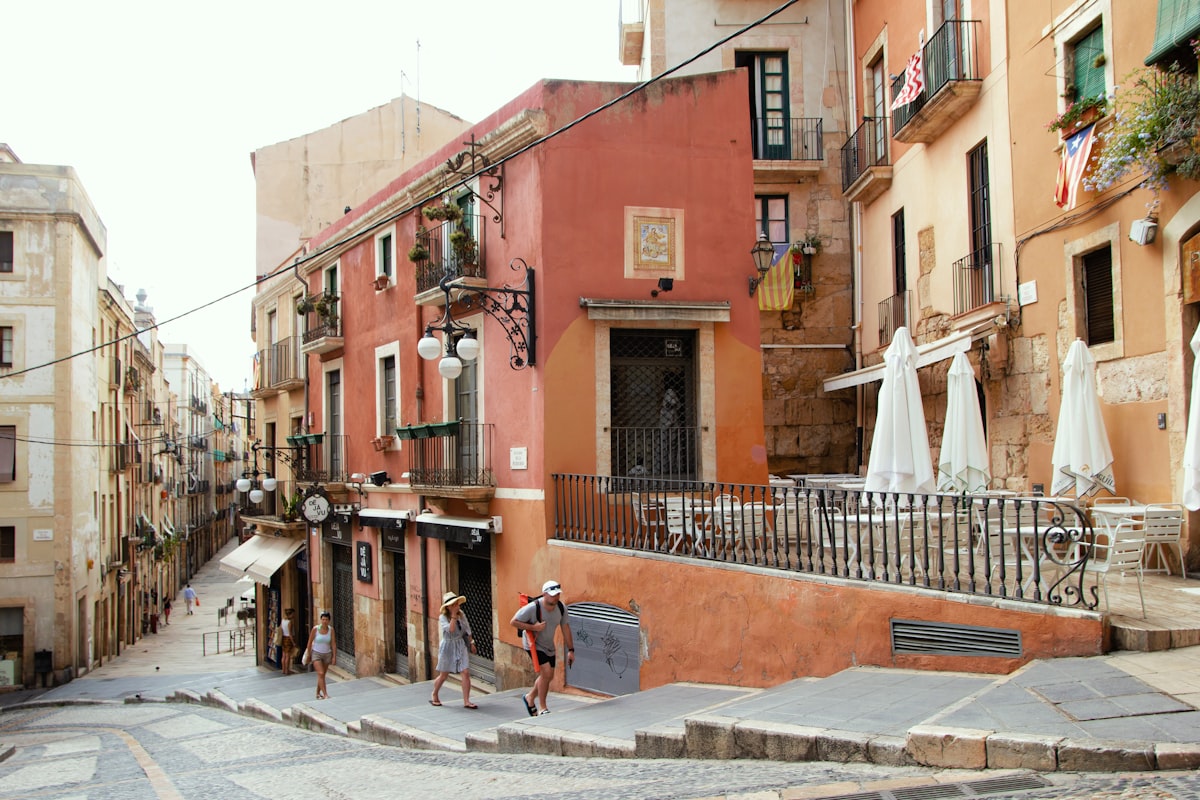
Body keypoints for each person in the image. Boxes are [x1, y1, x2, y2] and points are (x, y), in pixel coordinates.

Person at [511, 579, 574, 716]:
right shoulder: (533, 607)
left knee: (548, 676)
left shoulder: (561, 608)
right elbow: (514, 622)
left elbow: (566, 628)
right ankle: (543, 707)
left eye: (557, 594)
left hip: (548, 645)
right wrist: (533, 627)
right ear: (544, 594)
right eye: (553, 595)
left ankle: (530, 697)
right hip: (533, 643)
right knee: (546, 673)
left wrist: (571, 650)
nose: (556, 597)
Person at [430, 592, 477, 709]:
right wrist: (454, 616)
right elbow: (450, 629)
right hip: (448, 646)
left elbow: (467, 628)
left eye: (457, 603)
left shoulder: (462, 615)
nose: (457, 606)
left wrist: (472, 643)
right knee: (444, 675)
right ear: (449, 607)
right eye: (454, 604)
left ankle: (466, 701)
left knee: (465, 672)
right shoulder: (443, 617)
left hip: (460, 644)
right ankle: (435, 693)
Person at [304, 611, 337, 700]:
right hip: (316, 653)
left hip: (327, 654)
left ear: (329, 620)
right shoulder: (315, 629)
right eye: (323, 619)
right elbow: (310, 642)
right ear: (320, 620)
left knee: (322, 675)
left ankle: (318, 693)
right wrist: (308, 655)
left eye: (326, 619)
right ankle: (325, 694)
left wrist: (334, 656)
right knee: (321, 673)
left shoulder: (331, 630)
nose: (324, 621)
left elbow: (333, 643)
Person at [280, 608, 298, 676]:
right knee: (287, 656)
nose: (294, 615)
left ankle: (283, 669)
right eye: (293, 614)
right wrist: (293, 642)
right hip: (288, 639)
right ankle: (287, 670)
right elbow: (290, 634)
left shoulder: (283, 620)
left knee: (284, 655)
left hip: (283, 638)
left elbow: (281, 629)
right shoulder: (289, 622)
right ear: (290, 614)